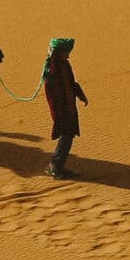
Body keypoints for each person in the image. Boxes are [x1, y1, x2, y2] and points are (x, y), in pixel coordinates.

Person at [41, 36, 87, 179]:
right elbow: (55, 92)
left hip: (67, 107)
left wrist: (80, 94)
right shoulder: (54, 69)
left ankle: (57, 166)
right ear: (59, 53)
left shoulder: (61, 64)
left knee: (67, 135)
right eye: (66, 52)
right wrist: (62, 110)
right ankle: (55, 166)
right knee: (66, 136)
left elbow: (70, 84)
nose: (68, 55)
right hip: (63, 110)